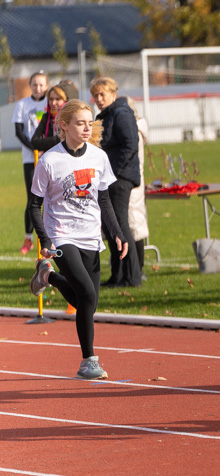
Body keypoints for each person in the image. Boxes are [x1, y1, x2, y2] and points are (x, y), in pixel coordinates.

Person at [27, 99, 128, 379]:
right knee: (86, 294)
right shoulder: (49, 160)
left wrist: (118, 232)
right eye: (81, 123)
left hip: (90, 235)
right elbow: (34, 205)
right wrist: (45, 239)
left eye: (90, 123)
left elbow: (104, 199)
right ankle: (88, 362)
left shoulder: (98, 157)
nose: (87, 128)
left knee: (89, 303)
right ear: (64, 126)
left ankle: (48, 278)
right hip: (62, 236)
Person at [90, 77, 141, 288]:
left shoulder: (121, 113)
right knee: (110, 225)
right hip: (108, 178)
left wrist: (114, 173)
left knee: (120, 224)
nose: (99, 99)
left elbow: (130, 145)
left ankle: (132, 276)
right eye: (95, 95)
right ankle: (117, 275)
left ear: (113, 93)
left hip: (120, 178)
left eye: (102, 94)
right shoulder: (107, 115)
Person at [13, 71, 49, 255]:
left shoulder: (50, 104)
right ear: (30, 85)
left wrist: (44, 148)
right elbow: (19, 131)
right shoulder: (22, 104)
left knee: (50, 198)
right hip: (30, 157)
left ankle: (49, 238)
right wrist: (34, 148)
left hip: (48, 157)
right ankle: (29, 238)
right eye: (35, 84)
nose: (38, 88)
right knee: (32, 199)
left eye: (41, 84)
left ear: (46, 86)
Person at [126, 99, 150, 278]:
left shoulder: (134, 129)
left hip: (133, 181)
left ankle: (138, 269)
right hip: (131, 179)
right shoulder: (133, 127)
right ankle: (130, 268)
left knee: (135, 225)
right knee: (129, 225)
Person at [32, 80, 79, 154]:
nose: (53, 103)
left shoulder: (71, 118)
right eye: (51, 99)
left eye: (58, 99)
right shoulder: (46, 116)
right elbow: (34, 142)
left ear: (65, 100)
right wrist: (57, 140)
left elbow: (72, 140)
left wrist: (46, 142)